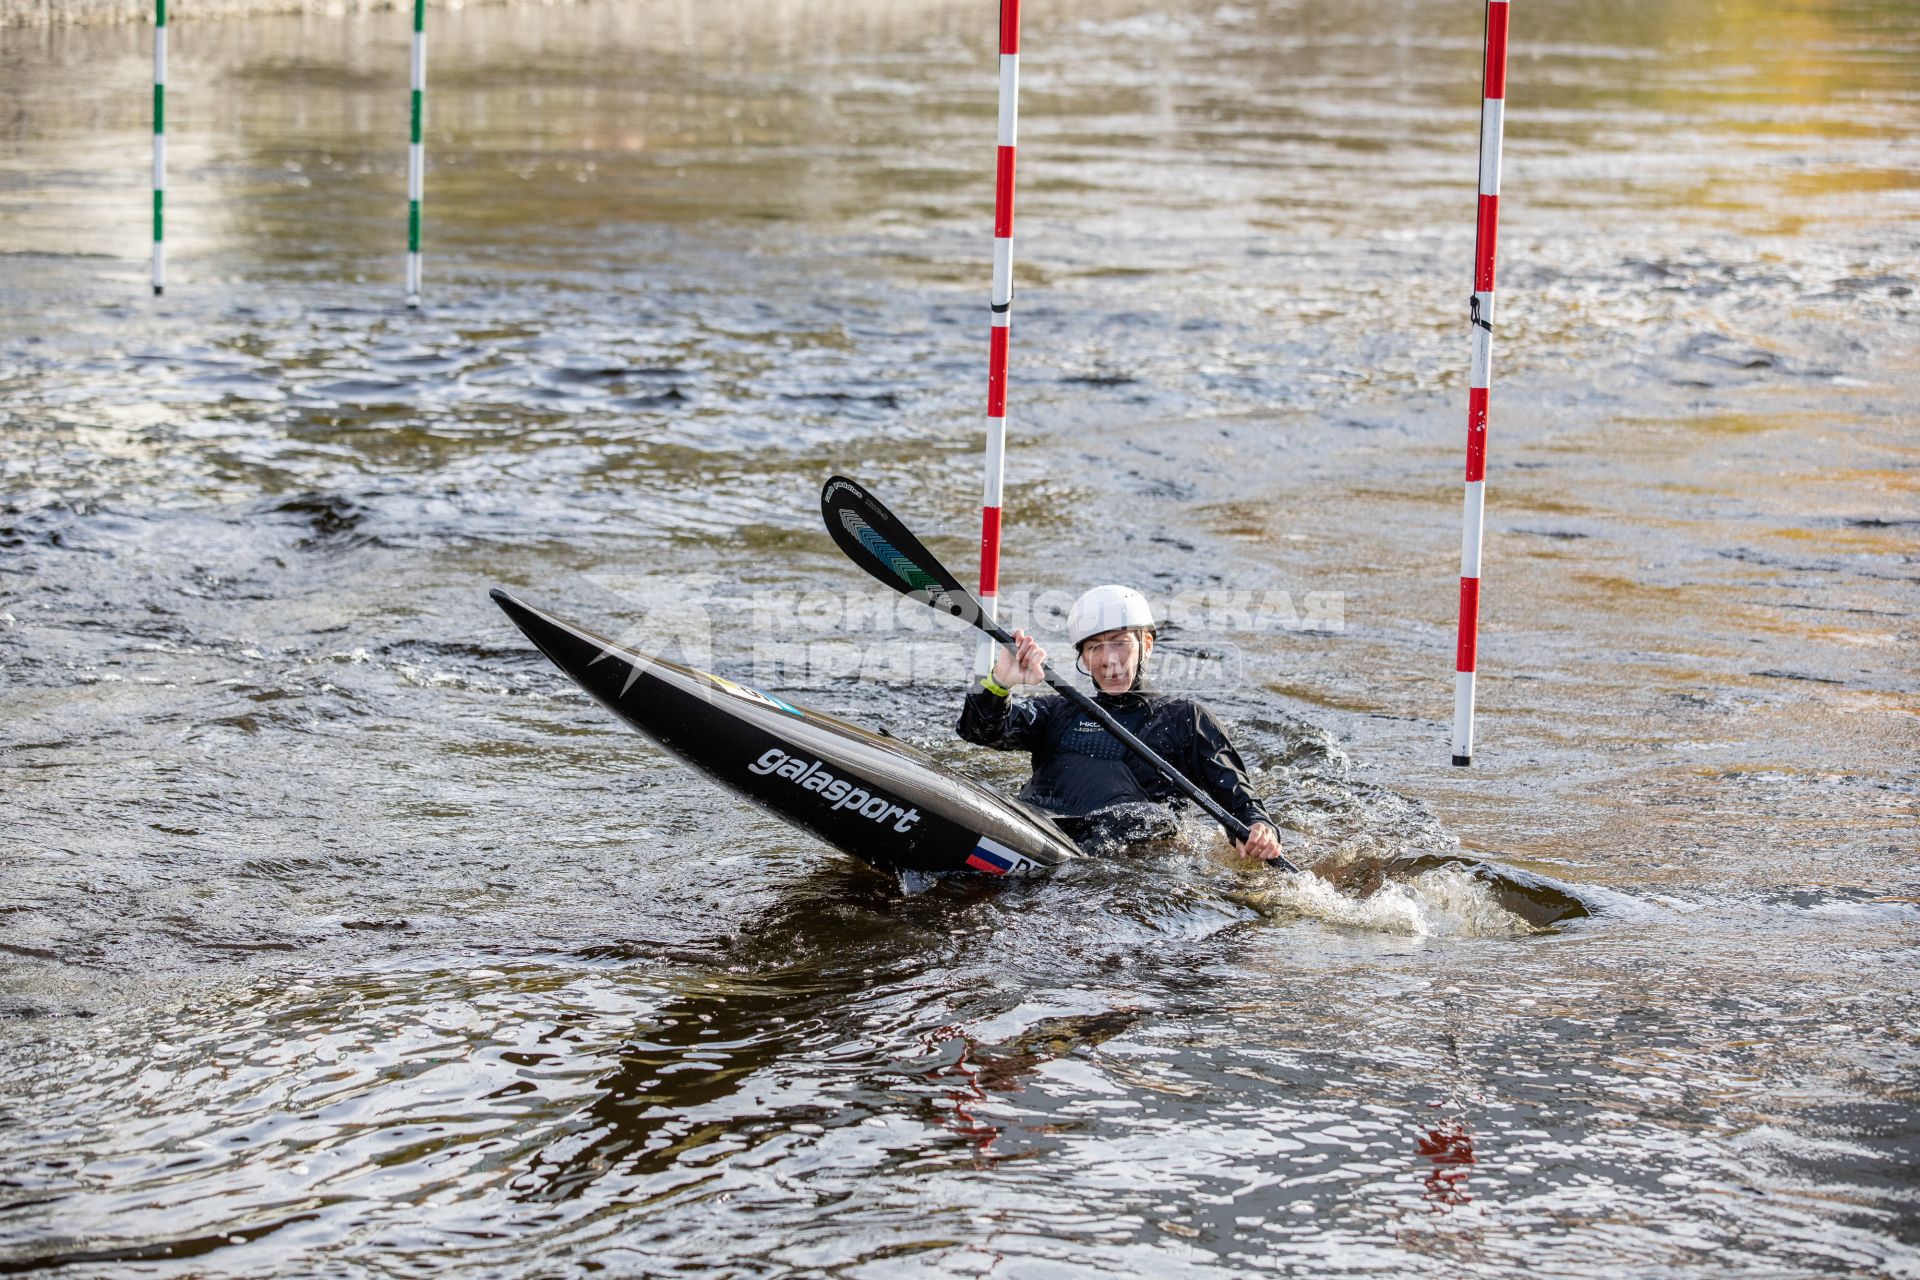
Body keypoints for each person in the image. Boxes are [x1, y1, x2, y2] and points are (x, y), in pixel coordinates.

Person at [957, 585, 1288, 862]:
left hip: (1122, 867)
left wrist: (1259, 830)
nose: (1108, 658)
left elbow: (1242, 804)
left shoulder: (1185, 719)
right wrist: (1001, 681)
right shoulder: (1058, 711)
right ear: (1083, 658)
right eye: (1095, 647)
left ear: (1146, 644)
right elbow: (979, 730)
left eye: (1119, 642)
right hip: (1035, 837)